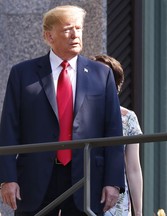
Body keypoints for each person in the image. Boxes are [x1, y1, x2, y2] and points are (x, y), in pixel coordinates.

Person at [0, 5, 125, 216]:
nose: (75, 35)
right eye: (68, 29)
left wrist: (113, 181)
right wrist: (7, 178)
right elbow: (9, 128)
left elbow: (113, 131)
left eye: (79, 28)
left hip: (86, 177)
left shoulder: (101, 74)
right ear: (48, 36)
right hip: (35, 177)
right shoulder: (23, 74)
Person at [91, 54, 143, 216]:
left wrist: (139, 211)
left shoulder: (128, 117)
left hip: (117, 199)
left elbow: (133, 168)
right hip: (82, 195)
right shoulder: (76, 115)